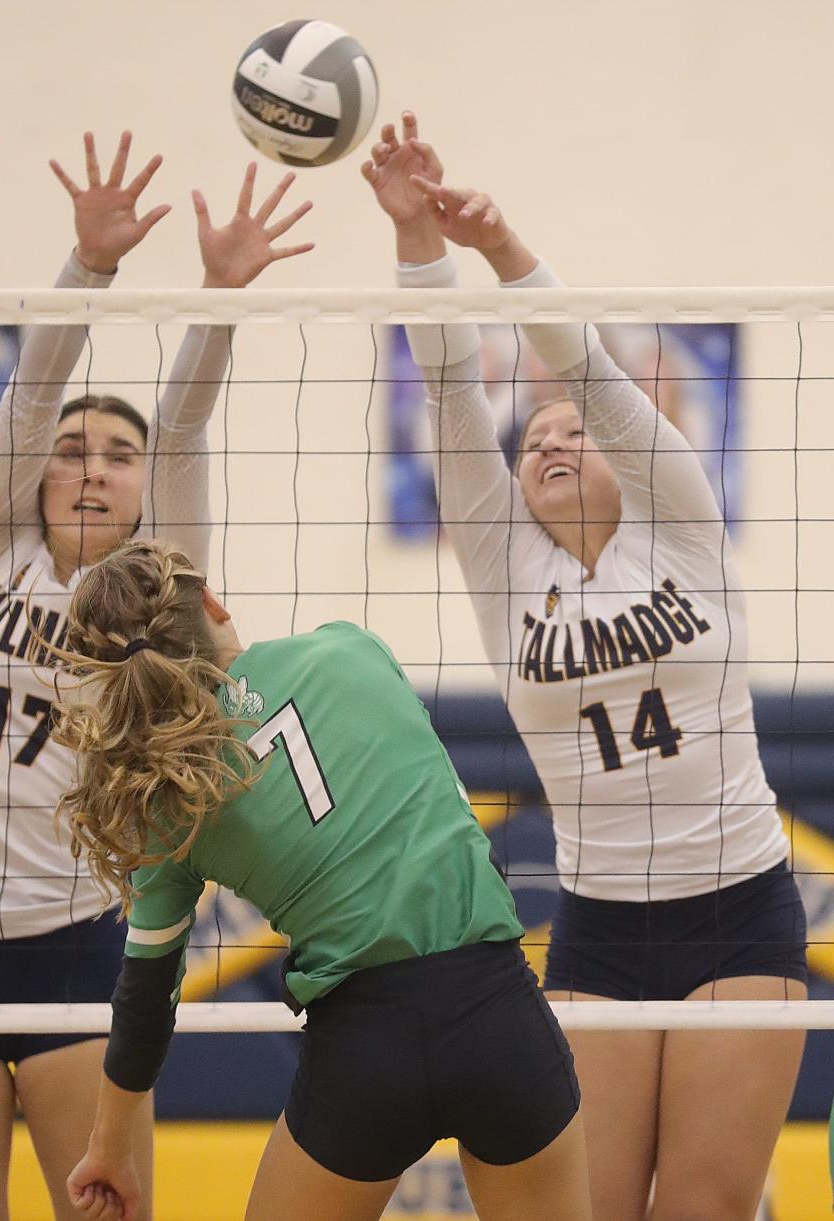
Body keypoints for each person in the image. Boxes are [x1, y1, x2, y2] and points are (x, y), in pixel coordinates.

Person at [363, 113, 808, 1221]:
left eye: (575, 433)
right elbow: (458, 406)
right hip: (601, 923)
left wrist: (505, 247)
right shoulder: (507, 571)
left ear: (630, 453)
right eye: (535, 444)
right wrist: (419, 240)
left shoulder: (684, 525)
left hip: (739, 911)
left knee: (702, 1211)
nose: (552, 442)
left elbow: (592, 371)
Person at [0, 130, 314, 1221]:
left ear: (142, 487)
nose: (90, 466)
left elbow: (186, 425)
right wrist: (90, 268)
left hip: (77, 940)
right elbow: (28, 400)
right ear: (36, 477)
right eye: (72, 452)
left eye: (118, 456)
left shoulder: (159, 589)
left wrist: (220, 297)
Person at [49, 537, 592, 1221]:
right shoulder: (349, 648)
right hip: (497, 1015)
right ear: (211, 601)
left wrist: (111, 1147)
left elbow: (145, 1001)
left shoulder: (168, 797)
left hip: (367, 1052)